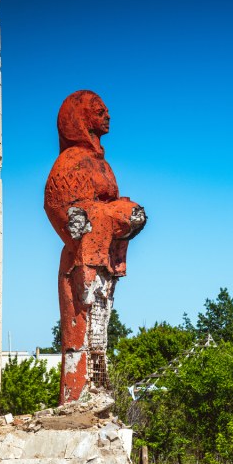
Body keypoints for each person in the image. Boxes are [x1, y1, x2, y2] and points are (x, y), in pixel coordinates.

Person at [44, 90, 146, 404]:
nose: (108, 116)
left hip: (102, 260)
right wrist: (105, 216)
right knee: (80, 333)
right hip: (83, 260)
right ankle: (76, 399)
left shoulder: (100, 164)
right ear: (82, 119)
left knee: (99, 331)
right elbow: (64, 211)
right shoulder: (71, 161)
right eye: (100, 112)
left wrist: (123, 213)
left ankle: (98, 391)